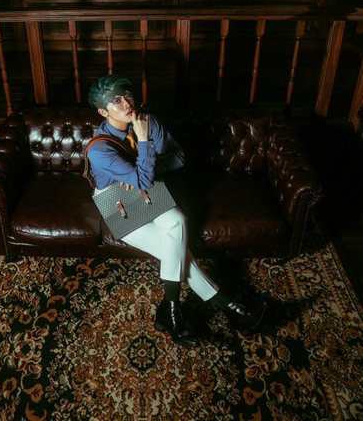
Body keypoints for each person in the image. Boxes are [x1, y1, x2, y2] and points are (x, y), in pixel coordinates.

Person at [87, 74, 266, 346]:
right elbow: (143, 178)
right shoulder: (99, 150)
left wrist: (143, 170)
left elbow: (178, 157)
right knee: (180, 254)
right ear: (103, 112)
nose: (127, 103)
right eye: (116, 101)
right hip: (116, 202)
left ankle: (171, 311)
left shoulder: (149, 122)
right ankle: (233, 309)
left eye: (127, 95)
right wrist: (144, 147)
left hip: (145, 191)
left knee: (177, 221)